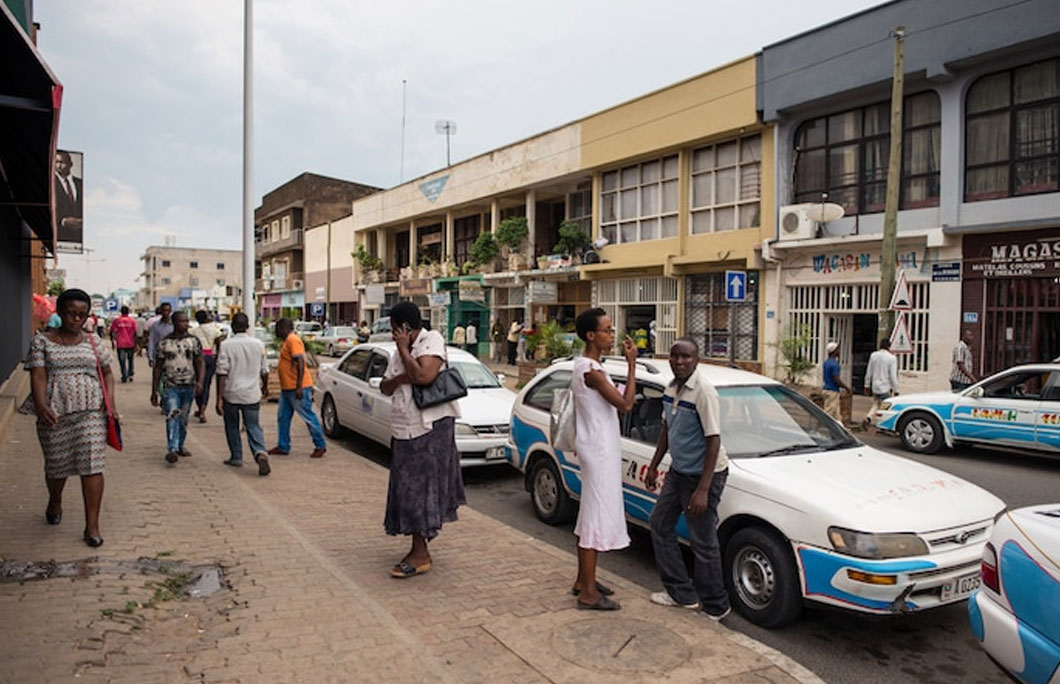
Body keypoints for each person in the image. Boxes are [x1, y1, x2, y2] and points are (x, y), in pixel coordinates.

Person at [645, 338, 731, 620]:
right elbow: (667, 430)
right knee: (659, 523)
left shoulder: (704, 392)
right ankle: (681, 593)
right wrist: (654, 465)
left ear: (697, 360)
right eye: (675, 356)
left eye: (686, 357)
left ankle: (717, 606)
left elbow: (713, 440)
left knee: (703, 541)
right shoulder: (671, 388)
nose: (680, 361)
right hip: (678, 472)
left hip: (704, 476)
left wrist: (703, 490)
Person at [380, 301, 465, 578]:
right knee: (406, 490)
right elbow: (385, 385)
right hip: (404, 429)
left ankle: (420, 553)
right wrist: (406, 370)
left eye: (395, 329)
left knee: (420, 489)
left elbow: (424, 376)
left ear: (405, 327)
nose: (392, 335)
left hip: (429, 430)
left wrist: (405, 353)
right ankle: (418, 547)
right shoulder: (398, 353)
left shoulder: (432, 340)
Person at [25, 288, 115, 548]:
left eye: (81, 314)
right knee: (56, 464)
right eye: (70, 314)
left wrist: (110, 404)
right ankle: (55, 499)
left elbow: (107, 373)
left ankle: (92, 526)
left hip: (90, 412)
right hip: (55, 412)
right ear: (60, 313)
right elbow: (38, 375)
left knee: (92, 465)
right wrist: (41, 405)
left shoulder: (93, 341)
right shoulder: (42, 341)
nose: (76, 319)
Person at [569, 307, 638, 610]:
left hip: (597, 446)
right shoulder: (591, 370)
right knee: (594, 517)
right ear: (591, 335)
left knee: (589, 513)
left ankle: (583, 580)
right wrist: (632, 365)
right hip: (598, 449)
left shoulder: (590, 366)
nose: (612, 335)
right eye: (607, 330)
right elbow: (625, 404)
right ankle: (587, 593)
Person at [215, 313, 271, 476]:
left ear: (232, 327)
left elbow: (221, 372)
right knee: (253, 425)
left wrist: (219, 398)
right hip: (252, 394)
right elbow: (264, 370)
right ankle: (260, 451)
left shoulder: (226, 345)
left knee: (232, 425)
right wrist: (265, 387)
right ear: (248, 327)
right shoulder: (258, 344)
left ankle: (236, 457)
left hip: (231, 394)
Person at [267, 318, 327, 458]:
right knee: (283, 417)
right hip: (287, 388)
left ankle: (320, 445)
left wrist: (299, 386)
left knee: (308, 416)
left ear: (283, 328)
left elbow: (300, 361)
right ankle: (283, 445)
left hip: (297, 387)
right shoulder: (286, 341)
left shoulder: (293, 340)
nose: (275, 331)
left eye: (277, 328)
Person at [151, 312, 204, 464]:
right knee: (172, 415)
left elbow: (199, 362)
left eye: (187, 321)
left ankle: (180, 445)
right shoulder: (164, 343)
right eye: (182, 321)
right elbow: (158, 368)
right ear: (174, 323)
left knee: (184, 418)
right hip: (171, 386)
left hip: (189, 385)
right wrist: (154, 390)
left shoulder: (193, 341)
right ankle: (172, 448)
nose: (185, 324)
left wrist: (200, 382)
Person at [191, 310, 224, 424]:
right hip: (210, 357)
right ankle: (203, 410)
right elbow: (219, 344)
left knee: (198, 383)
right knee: (206, 384)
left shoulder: (194, 331)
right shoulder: (214, 330)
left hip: (197, 358)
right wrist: (218, 358)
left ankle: (200, 408)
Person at [863, 339, 899, 427]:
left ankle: (868, 418)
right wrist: (896, 390)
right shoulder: (892, 358)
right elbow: (893, 376)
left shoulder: (873, 355)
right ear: (889, 347)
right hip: (885, 388)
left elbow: (869, 372)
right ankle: (883, 426)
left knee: (876, 403)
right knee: (886, 408)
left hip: (875, 387)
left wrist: (866, 385)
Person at [54, 150, 83, 246]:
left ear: (70, 164)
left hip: (77, 236)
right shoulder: (51, 184)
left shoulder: (80, 183)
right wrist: (63, 221)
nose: (58, 166)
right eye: (56, 162)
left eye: (61, 162)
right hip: (59, 235)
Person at [821, 341, 851, 423]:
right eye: (838, 349)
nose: (839, 351)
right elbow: (836, 379)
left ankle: (840, 429)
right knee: (829, 413)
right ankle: (818, 429)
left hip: (827, 389)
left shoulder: (826, 363)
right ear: (834, 351)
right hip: (832, 391)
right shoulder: (834, 364)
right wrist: (846, 387)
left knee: (836, 414)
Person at [109, 305, 138, 383]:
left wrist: (112, 342)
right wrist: (136, 344)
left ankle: (124, 375)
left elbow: (111, 331)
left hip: (120, 343)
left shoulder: (117, 320)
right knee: (130, 360)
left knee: (122, 360)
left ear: (121, 311)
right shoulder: (132, 321)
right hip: (130, 343)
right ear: (128, 312)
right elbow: (135, 333)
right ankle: (130, 374)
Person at [147, 303, 174, 368]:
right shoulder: (155, 326)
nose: (165, 312)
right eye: (164, 310)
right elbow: (152, 341)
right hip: (158, 356)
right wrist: (150, 357)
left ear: (170, 311)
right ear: (161, 311)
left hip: (172, 356)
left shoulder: (174, 325)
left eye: (167, 310)